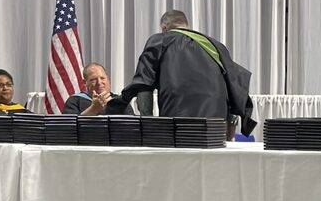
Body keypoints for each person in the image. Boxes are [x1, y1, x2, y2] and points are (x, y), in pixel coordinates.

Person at [108, 10, 255, 134]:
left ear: (164, 27)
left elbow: (143, 85)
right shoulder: (216, 46)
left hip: (177, 120)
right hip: (215, 123)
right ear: (186, 25)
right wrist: (229, 130)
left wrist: (149, 126)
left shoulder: (159, 40)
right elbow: (234, 89)